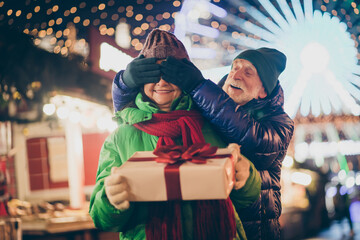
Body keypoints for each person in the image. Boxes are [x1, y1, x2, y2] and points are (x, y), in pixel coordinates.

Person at [90, 29, 261, 240]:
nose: (162, 82)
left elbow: (248, 197)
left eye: (170, 73)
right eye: (152, 74)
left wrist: (245, 177)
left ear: (185, 77)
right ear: (139, 80)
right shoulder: (119, 139)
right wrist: (110, 200)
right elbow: (101, 218)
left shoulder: (214, 124)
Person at [112, 41, 294, 239]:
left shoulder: (280, 123)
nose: (235, 74)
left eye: (248, 72)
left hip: (256, 230)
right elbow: (137, 112)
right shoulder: (209, 107)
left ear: (263, 91)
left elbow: (252, 139)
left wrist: (198, 86)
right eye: (234, 67)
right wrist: (125, 83)